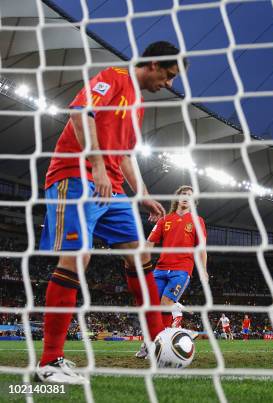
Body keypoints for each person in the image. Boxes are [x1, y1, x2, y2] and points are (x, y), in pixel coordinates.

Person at [36, 41, 186, 384]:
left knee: (140, 254)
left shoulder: (138, 105)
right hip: (75, 176)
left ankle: (158, 342)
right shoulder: (113, 77)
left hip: (113, 190)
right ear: (152, 64)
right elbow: (79, 112)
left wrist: (143, 193)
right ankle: (49, 363)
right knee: (78, 258)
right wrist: (98, 165)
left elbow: (127, 154)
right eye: (168, 75)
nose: (169, 84)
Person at [135, 185, 207, 358]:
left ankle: (158, 346)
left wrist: (203, 269)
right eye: (183, 194)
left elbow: (202, 249)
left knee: (165, 304)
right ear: (177, 198)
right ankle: (150, 342)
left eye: (190, 195)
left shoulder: (198, 221)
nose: (186, 197)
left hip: (182, 269)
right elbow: (150, 243)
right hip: (160, 269)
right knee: (151, 307)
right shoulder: (164, 220)